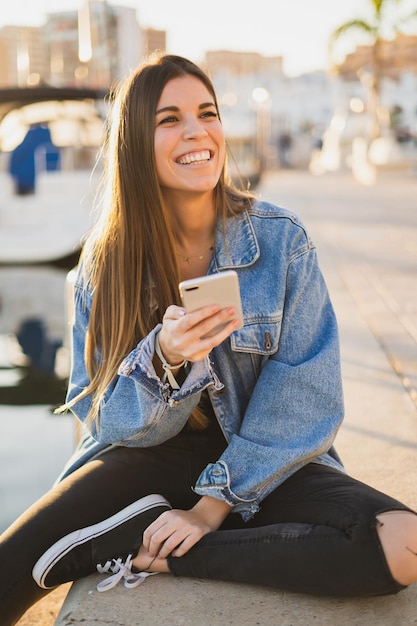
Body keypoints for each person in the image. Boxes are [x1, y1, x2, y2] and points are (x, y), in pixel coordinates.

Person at [1, 53, 416, 624]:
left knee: (403, 541)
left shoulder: (281, 242)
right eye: (169, 119)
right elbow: (103, 416)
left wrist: (209, 509)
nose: (197, 131)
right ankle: (136, 523)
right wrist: (165, 359)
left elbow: (307, 398)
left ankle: (160, 556)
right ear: (135, 144)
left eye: (207, 112)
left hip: (260, 462)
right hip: (143, 460)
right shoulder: (105, 264)